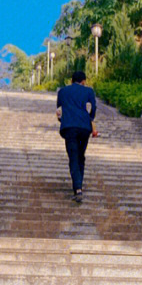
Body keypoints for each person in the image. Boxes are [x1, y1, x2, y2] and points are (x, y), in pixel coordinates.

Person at [56, 68, 97, 200]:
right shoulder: (89, 91)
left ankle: (78, 189)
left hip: (69, 128)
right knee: (81, 155)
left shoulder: (62, 91)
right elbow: (93, 108)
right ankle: (79, 184)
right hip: (84, 128)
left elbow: (59, 111)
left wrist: (62, 120)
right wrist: (89, 119)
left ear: (71, 80)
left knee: (73, 156)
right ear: (83, 81)